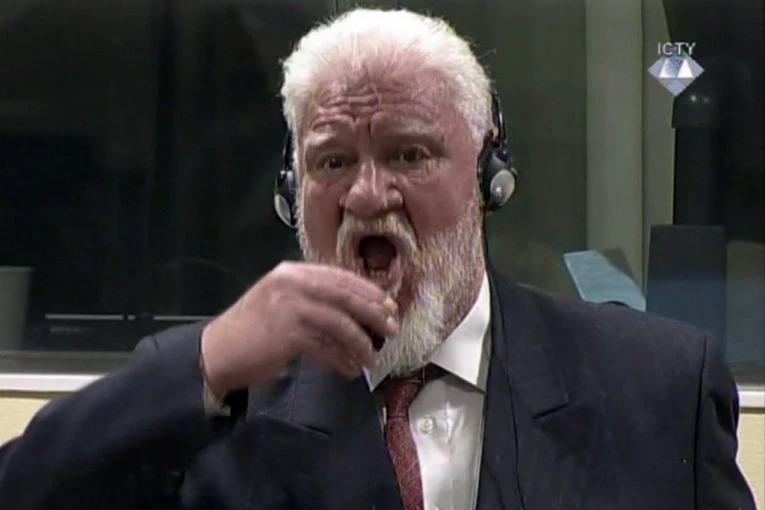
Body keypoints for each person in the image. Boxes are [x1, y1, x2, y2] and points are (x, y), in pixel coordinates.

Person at [0, 8, 756, 510]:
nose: (367, 194)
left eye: (409, 154)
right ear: (292, 192)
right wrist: (208, 362)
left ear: (488, 175)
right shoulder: (215, 399)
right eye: (332, 162)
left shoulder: (655, 387)